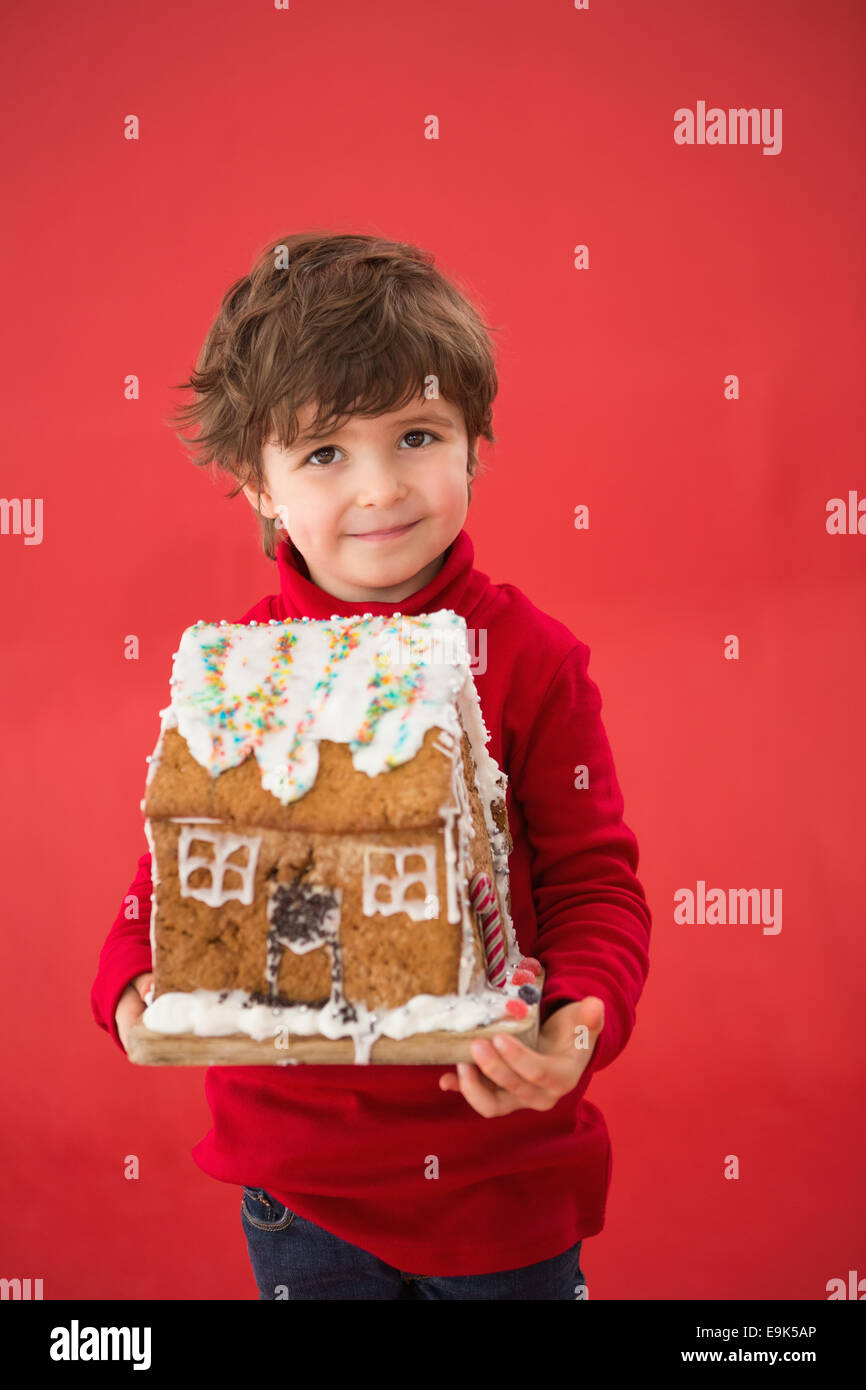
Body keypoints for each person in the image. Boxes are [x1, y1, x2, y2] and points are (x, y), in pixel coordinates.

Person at [91, 231, 652, 1300]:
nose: (381, 487)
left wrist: (575, 1024)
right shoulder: (236, 672)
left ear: (475, 442)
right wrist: (127, 982)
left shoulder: (529, 660)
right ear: (253, 482)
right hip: (297, 1188)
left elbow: (592, 883)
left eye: (416, 433)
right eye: (322, 454)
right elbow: (178, 863)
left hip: (498, 1171)